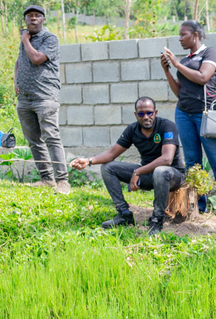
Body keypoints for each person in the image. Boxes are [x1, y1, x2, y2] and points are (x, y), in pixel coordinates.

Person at [70, 97, 186, 236]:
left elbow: (167, 159)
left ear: (155, 112)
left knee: (160, 171)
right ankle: (124, 214)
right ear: (136, 115)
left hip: (172, 175)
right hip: (149, 174)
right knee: (108, 167)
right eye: (141, 113)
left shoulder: (167, 126)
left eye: (149, 113)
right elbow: (112, 153)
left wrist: (137, 171)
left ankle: (157, 220)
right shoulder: (133, 129)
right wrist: (88, 160)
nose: (146, 117)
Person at [161, 20, 216, 216]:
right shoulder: (186, 60)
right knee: (192, 162)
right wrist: (168, 70)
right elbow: (180, 91)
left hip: (205, 115)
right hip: (183, 113)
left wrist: (176, 63)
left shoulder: (209, 53)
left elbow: (203, 77)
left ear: (195, 35)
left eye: (183, 34)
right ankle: (197, 206)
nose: (180, 38)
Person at [14, 4, 70, 195]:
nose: (33, 19)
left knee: (51, 138)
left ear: (43, 19)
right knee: (33, 141)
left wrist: (24, 40)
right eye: (29, 16)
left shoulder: (50, 38)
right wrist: (16, 80)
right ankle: (46, 179)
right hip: (25, 98)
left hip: (45, 97)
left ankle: (63, 181)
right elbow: (19, 61)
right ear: (26, 20)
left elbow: (36, 58)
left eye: (37, 16)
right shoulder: (26, 40)